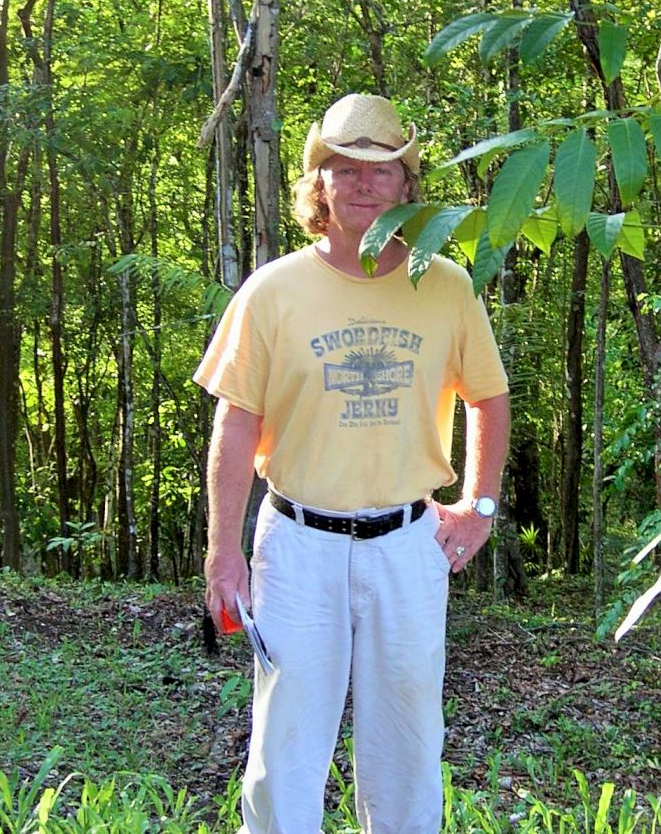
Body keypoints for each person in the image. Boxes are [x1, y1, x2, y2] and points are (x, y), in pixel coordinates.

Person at [194, 93, 510, 834]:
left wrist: (480, 506)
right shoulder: (273, 291)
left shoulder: (446, 286)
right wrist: (221, 553)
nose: (365, 182)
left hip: (408, 544)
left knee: (406, 744)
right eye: (345, 167)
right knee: (286, 748)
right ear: (319, 186)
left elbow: (488, 399)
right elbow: (235, 425)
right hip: (298, 546)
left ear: (407, 185)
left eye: (383, 168)